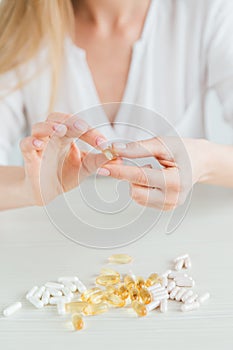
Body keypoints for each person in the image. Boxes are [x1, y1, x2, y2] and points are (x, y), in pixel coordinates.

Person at [0, 0, 233, 211]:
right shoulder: (18, 26)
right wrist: (26, 188)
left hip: (192, 246)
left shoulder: (207, 11)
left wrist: (205, 161)